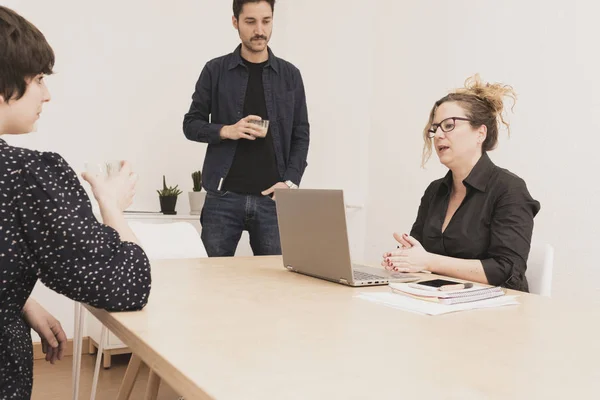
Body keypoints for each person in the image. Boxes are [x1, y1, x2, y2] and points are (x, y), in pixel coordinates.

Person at [0, 6, 151, 397]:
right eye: (37, 79)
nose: (46, 95)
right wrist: (111, 204)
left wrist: (18, 301)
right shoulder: (24, 177)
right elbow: (126, 284)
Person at [382, 75, 540, 291]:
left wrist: (427, 261)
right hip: (439, 302)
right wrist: (402, 259)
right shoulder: (435, 191)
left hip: (496, 312)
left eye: (448, 125)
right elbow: (419, 254)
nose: (438, 135)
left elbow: (507, 270)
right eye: (435, 128)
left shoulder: (509, 189)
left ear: (480, 133)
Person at [183, 0, 310, 257]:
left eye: (266, 21)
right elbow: (191, 124)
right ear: (235, 22)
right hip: (223, 198)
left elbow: (301, 133)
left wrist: (290, 182)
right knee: (212, 282)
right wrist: (226, 131)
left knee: (273, 285)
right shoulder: (215, 70)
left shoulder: (290, 75)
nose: (259, 30)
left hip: (273, 201)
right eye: (250, 22)